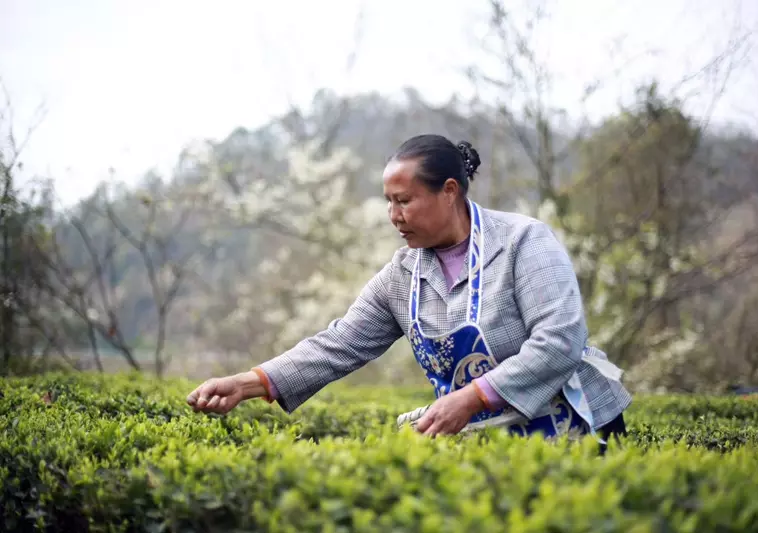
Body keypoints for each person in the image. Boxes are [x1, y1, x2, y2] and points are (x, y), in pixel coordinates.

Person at [187, 134, 631, 442]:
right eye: (388, 202)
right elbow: (338, 344)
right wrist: (248, 383)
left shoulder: (523, 243)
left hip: (578, 428)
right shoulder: (403, 276)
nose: (394, 215)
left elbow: (560, 341)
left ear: (449, 192)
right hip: (493, 436)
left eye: (404, 201)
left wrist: (472, 398)